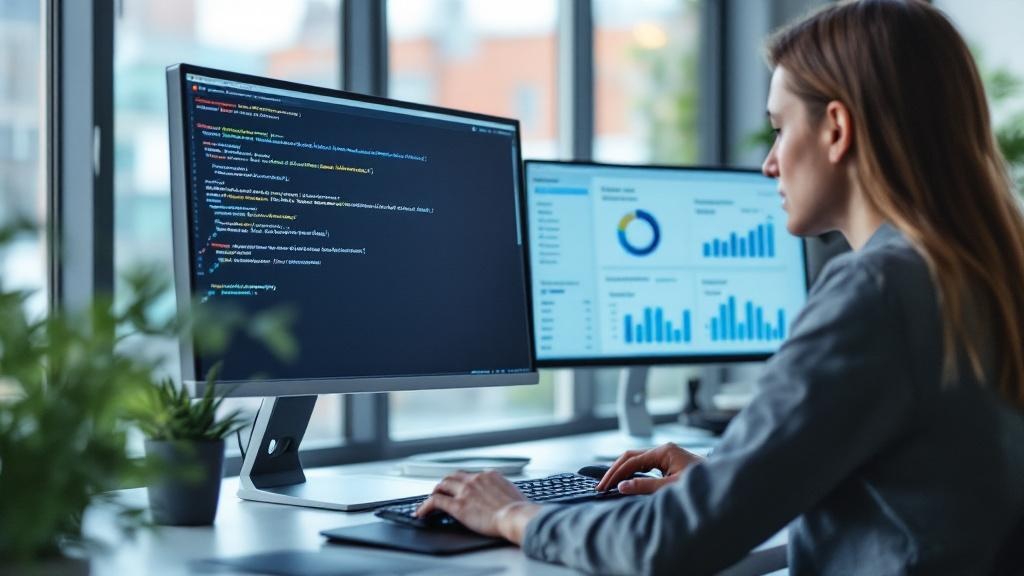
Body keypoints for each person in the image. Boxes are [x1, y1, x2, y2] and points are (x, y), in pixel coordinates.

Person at [415, 1, 1024, 573]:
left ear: (837, 129)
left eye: (780, 129)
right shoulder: (985, 272)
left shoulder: (878, 289)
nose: (769, 162)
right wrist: (730, 478)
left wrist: (514, 515)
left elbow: (670, 544)